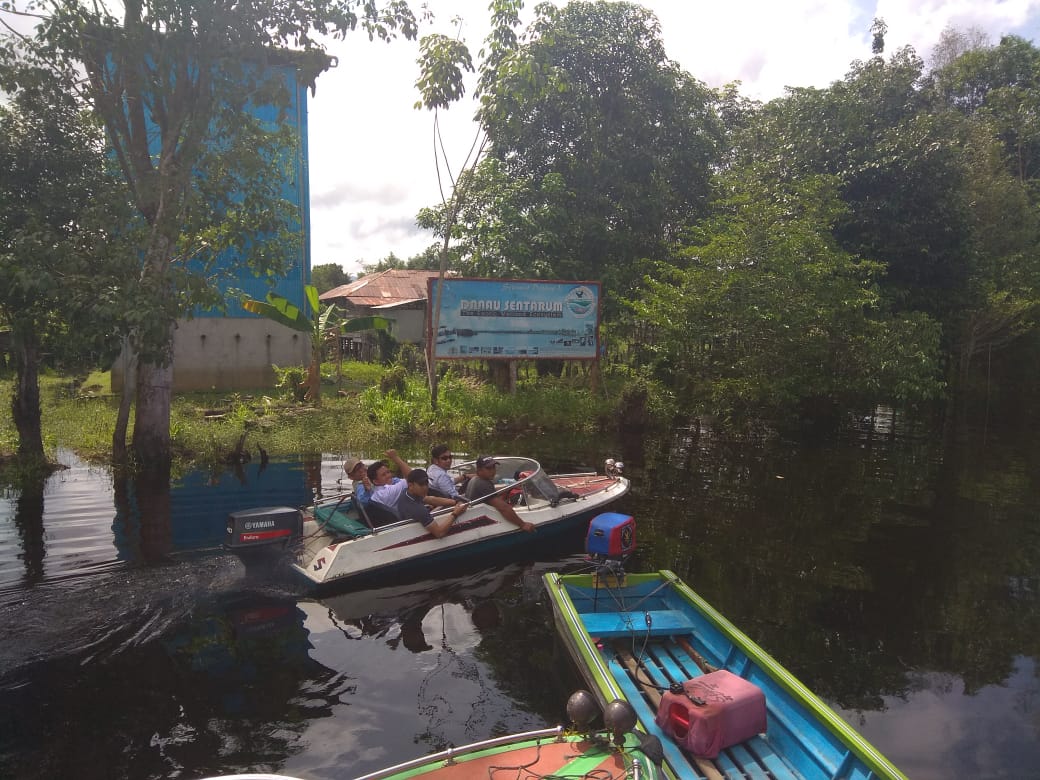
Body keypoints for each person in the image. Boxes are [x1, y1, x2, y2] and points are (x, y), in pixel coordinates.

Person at [465, 455, 535, 533]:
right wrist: (523, 524)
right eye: (488, 468)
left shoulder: (476, 479)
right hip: (482, 524)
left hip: (476, 517)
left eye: (493, 467)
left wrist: (510, 487)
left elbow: (492, 492)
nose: (493, 471)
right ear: (479, 471)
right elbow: (503, 508)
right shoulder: (483, 484)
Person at [396, 468, 468, 538]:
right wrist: (455, 513)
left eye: (426, 483)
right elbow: (439, 533)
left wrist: (455, 502)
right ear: (411, 485)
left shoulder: (406, 492)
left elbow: (431, 499)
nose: (425, 487)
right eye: (421, 484)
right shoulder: (418, 509)